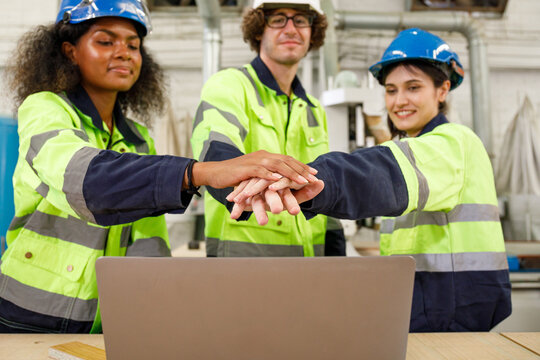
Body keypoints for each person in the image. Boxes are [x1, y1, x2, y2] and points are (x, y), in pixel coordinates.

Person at [0, 0, 318, 334]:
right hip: (28, 313)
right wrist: (199, 172)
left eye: (133, 45)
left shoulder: (137, 139)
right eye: (106, 41)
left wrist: (158, 310)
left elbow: (146, 242)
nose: (124, 53)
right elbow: (84, 181)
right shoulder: (44, 109)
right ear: (70, 51)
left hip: (102, 323)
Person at [230, 28, 512, 332]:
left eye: (413, 87)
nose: (399, 100)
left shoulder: (454, 142)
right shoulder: (419, 145)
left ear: (442, 90)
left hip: (454, 315)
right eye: (391, 90)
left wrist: (313, 179)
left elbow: (382, 172)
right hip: (427, 306)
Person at [190, 0, 346, 257]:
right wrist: (245, 193)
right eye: (278, 19)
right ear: (259, 28)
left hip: (311, 271)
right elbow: (215, 157)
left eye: (301, 19)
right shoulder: (230, 86)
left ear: (312, 30)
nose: (291, 29)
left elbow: (324, 191)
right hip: (242, 270)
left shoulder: (313, 108)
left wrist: (338, 263)